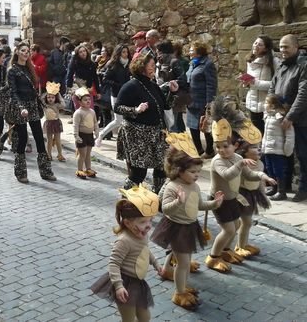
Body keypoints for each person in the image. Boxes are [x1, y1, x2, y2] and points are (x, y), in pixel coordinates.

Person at [151, 134, 223, 310]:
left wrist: (214, 204)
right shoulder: (172, 186)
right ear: (179, 170)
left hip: (190, 226)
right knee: (183, 263)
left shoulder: (194, 186)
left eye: (198, 171)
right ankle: (179, 292)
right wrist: (178, 202)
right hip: (176, 228)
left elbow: (199, 205)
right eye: (192, 172)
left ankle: (178, 281)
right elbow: (165, 209)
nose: (196, 175)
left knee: (184, 259)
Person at [204, 100, 276, 273]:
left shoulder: (237, 158)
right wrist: (240, 164)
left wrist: (263, 176)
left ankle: (226, 251)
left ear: (235, 146)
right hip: (219, 200)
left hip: (232, 199)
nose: (221, 150)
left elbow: (249, 174)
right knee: (228, 229)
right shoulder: (217, 161)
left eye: (225, 146)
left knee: (236, 225)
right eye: (218, 146)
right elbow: (227, 175)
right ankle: (213, 257)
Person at [91, 186, 162, 322]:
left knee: (145, 317)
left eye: (150, 220)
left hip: (138, 284)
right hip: (125, 284)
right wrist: (118, 286)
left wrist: (156, 263)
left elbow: (145, 250)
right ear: (128, 223)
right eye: (143, 222)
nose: (148, 226)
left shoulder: (142, 234)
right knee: (128, 318)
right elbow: (114, 263)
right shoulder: (124, 241)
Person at [114, 53, 177, 193]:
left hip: (157, 134)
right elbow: (117, 107)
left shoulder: (153, 85)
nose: (154, 68)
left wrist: (173, 93)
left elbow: (165, 106)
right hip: (137, 135)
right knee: (139, 172)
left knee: (162, 168)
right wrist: (135, 110)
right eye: (152, 66)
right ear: (141, 67)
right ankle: (128, 197)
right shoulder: (130, 86)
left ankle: (158, 196)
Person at [5, 42, 56, 183]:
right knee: (22, 138)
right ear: (17, 52)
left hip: (32, 105)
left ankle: (45, 171)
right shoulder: (12, 70)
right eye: (23, 50)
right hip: (20, 107)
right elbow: (13, 92)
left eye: (27, 51)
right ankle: (20, 172)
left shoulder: (30, 68)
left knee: (39, 137)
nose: (26, 53)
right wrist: (21, 107)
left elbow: (34, 88)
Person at [268, 34, 307, 202]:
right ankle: (284, 187)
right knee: (282, 152)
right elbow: (272, 87)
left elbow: (303, 94)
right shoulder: (282, 65)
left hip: (301, 119)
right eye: (281, 47)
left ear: (296, 47)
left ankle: (304, 188)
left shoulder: (303, 65)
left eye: (286, 47)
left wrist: (290, 116)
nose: (282, 50)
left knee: (303, 154)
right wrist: (270, 106)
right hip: (280, 117)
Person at [235, 136, 272, 257]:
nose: (259, 149)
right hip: (241, 194)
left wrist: (263, 194)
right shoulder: (242, 164)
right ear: (245, 152)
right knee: (245, 222)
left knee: (247, 222)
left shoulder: (260, 163)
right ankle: (239, 247)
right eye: (254, 147)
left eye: (259, 147)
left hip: (251, 194)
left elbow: (260, 182)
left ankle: (243, 244)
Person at [241, 36, 279, 134]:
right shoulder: (250, 60)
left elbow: (278, 84)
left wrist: (256, 83)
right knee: (256, 135)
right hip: (251, 104)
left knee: (266, 134)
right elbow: (251, 82)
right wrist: (246, 83)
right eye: (255, 43)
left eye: (260, 44)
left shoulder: (274, 61)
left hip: (266, 105)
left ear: (266, 48)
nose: (256, 46)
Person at [186, 40, 217, 159]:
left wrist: (209, 103)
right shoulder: (193, 63)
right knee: (193, 127)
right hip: (191, 101)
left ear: (198, 53)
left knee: (205, 126)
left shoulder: (208, 64)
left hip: (202, 102)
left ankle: (209, 150)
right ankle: (198, 151)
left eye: (191, 50)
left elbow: (212, 85)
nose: (189, 52)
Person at [261, 94, 295, 200]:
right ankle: (274, 188)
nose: (264, 105)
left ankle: (281, 192)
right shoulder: (268, 117)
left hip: (277, 150)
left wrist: (287, 149)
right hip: (268, 149)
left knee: (278, 170)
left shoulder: (281, 118)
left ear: (272, 106)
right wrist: (263, 146)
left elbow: (290, 134)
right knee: (270, 168)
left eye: (266, 103)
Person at [96, 44, 131, 145]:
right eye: (123, 52)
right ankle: (101, 135)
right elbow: (105, 79)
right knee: (118, 120)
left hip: (128, 95)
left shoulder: (128, 64)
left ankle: (126, 141)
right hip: (116, 95)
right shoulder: (113, 65)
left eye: (127, 52)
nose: (126, 54)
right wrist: (118, 85)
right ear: (119, 53)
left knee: (128, 119)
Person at [156, 40, 188, 133]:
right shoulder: (158, 62)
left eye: (158, 49)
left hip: (172, 97)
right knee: (163, 125)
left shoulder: (174, 62)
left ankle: (175, 142)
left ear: (162, 51)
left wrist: (166, 85)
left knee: (172, 125)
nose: (156, 51)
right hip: (160, 96)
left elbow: (182, 79)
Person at [73, 87, 100, 179]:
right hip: (81, 135)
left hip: (90, 135)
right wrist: (76, 136)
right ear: (80, 102)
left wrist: (97, 132)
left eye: (89, 99)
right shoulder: (78, 113)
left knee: (88, 154)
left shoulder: (92, 111)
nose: (88, 101)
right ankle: (80, 170)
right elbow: (75, 125)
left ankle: (88, 169)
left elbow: (95, 123)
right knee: (82, 154)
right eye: (85, 100)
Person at [65, 44, 101, 109]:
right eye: (80, 52)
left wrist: (98, 92)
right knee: (79, 108)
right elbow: (69, 75)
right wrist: (69, 87)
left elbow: (95, 77)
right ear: (77, 54)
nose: (83, 53)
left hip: (88, 87)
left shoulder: (91, 63)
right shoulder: (74, 62)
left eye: (84, 51)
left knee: (90, 108)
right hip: (78, 87)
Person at [42, 81, 65, 162]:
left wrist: (58, 94)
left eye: (52, 97)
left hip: (56, 123)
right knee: (49, 140)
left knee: (58, 140)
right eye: (48, 97)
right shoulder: (45, 105)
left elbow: (63, 105)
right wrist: (48, 91)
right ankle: (49, 155)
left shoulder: (57, 105)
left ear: (55, 98)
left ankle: (60, 154)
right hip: (49, 123)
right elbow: (41, 99)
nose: (50, 99)